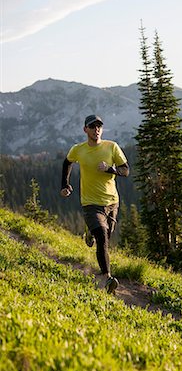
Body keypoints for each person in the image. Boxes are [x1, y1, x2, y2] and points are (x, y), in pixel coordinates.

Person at [60, 114, 129, 294]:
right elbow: (67, 163)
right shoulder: (78, 149)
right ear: (85, 130)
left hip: (112, 202)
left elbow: (126, 170)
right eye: (92, 126)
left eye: (99, 126)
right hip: (90, 203)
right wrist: (65, 184)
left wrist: (110, 169)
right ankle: (107, 278)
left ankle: (90, 232)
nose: (96, 129)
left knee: (106, 234)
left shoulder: (111, 147)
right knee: (102, 238)